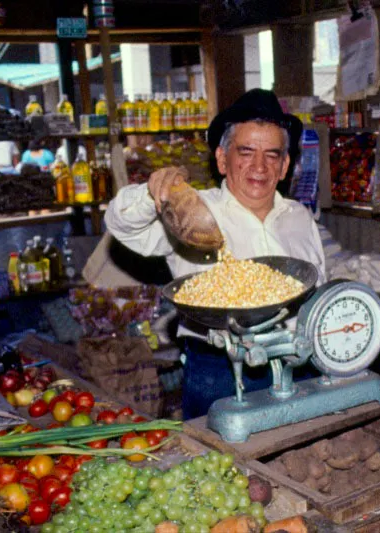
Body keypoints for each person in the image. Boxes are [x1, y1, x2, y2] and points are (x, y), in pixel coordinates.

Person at [105, 89, 326, 419]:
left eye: (271, 155)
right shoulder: (192, 210)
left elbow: (319, 288)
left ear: (284, 166)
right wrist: (153, 193)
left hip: (298, 365)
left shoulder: (301, 218)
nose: (259, 167)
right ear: (222, 159)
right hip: (218, 371)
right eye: (246, 152)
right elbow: (122, 224)